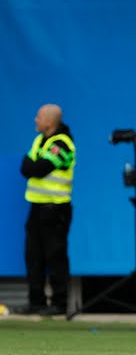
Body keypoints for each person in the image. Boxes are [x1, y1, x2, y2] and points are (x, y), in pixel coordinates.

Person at [16, 104, 75, 316]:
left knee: (55, 256)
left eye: (39, 117)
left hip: (56, 209)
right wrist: (31, 164)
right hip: (36, 206)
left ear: (50, 121)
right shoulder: (40, 140)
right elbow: (25, 168)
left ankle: (59, 304)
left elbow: (36, 168)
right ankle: (36, 302)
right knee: (33, 256)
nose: (35, 120)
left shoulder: (63, 144)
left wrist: (32, 164)